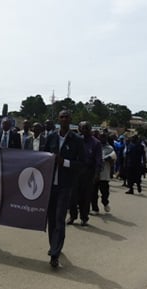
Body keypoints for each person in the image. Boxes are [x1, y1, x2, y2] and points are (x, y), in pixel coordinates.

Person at [44, 110, 86, 268]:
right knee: (51, 219)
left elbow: (81, 164)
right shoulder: (51, 137)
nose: (64, 119)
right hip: (50, 185)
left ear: (70, 119)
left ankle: (55, 253)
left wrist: (65, 162)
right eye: (61, 116)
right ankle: (53, 246)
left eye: (66, 116)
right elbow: (43, 156)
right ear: (58, 119)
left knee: (60, 219)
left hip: (65, 185)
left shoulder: (77, 140)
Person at [67, 121, 101, 226]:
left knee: (85, 197)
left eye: (86, 128)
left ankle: (84, 217)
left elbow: (98, 160)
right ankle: (72, 216)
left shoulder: (96, 143)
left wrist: (96, 174)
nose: (84, 130)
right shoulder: (75, 141)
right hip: (75, 172)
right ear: (79, 129)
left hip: (88, 173)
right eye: (82, 128)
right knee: (72, 196)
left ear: (90, 129)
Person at [97, 133, 116, 213]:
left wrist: (109, 159)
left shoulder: (110, 148)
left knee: (104, 192)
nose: (102, 139)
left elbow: (113, 160)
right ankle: (95, 208)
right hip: (95, 174)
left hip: (104, 174)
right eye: (101, 137)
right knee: (93, 192)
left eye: (104, 137)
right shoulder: (96, 146)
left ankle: (105, 202)